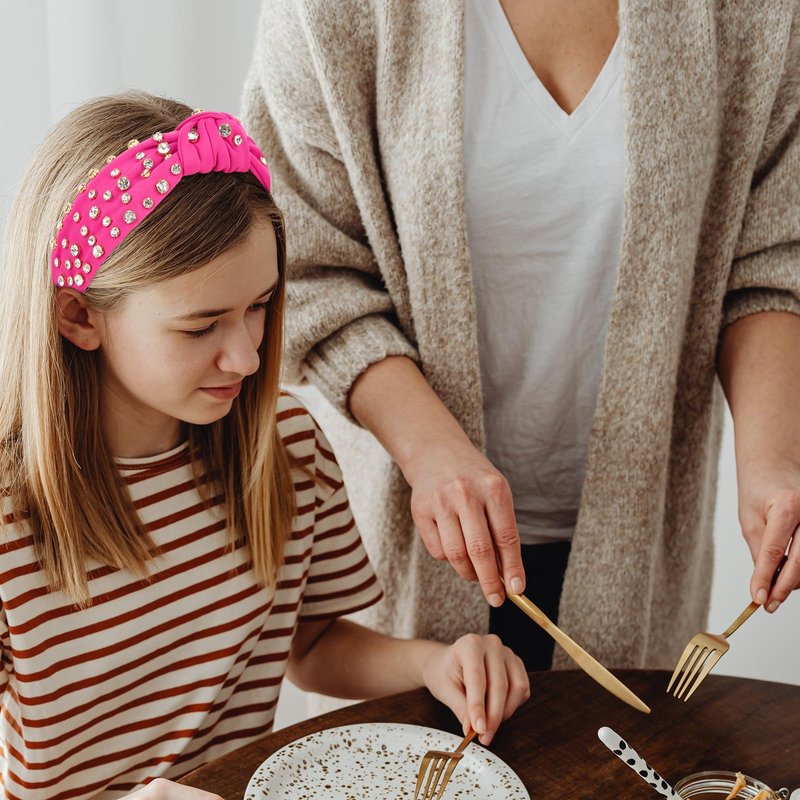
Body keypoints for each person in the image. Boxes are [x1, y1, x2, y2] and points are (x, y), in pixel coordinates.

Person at [0, 91, 530, 800]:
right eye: (201, 327)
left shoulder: (288, 446)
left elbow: (311, 645)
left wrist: (432, 665)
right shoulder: (10, 514)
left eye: (259, 308)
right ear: (78, 317)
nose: (248, 358)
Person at [241, 0, 800, 672]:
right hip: (408, 541)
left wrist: (773, 462)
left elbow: (772, 258)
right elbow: (303, 264)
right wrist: (430, 451)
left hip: (640, 555)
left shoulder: (759, 14)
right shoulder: (331, 13)